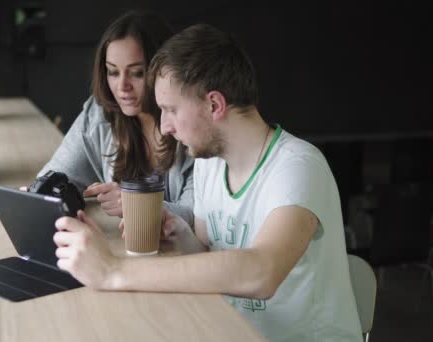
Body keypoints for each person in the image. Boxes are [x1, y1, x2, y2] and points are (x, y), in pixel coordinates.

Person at [53, 24, 363, 341]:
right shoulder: (209, 165)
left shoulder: (297, 166)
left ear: (214, 105)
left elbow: (262, 272)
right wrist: (178, 229)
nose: (165, 126)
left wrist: (112, 271)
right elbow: (205, 252)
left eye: (170, 110)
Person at [36, 10, 194, 225]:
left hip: (180, 256)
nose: (122, 87)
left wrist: (136, 203)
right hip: (122, 250)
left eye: (137, 73)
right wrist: (37, 194)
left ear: (165, 70)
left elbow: (198, 218)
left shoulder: (193, 123)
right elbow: (56, 177)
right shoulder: (99, 113)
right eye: (113, 72)